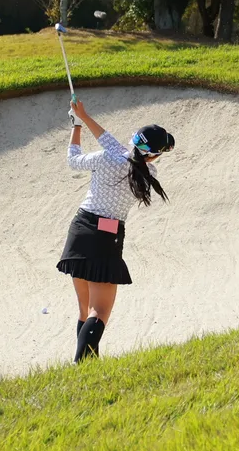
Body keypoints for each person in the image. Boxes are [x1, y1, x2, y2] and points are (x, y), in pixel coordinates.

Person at [57, 98, 174, 363]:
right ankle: (80, 365)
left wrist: (78, 123)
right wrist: (84, 117)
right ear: (154, 155)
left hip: (79, 230)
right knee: (99, 311)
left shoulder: (107, 157)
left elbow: (75, 159)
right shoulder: (149, 172)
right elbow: (118, 148)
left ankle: (88, 366)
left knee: (85, 310)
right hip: (105, 238)